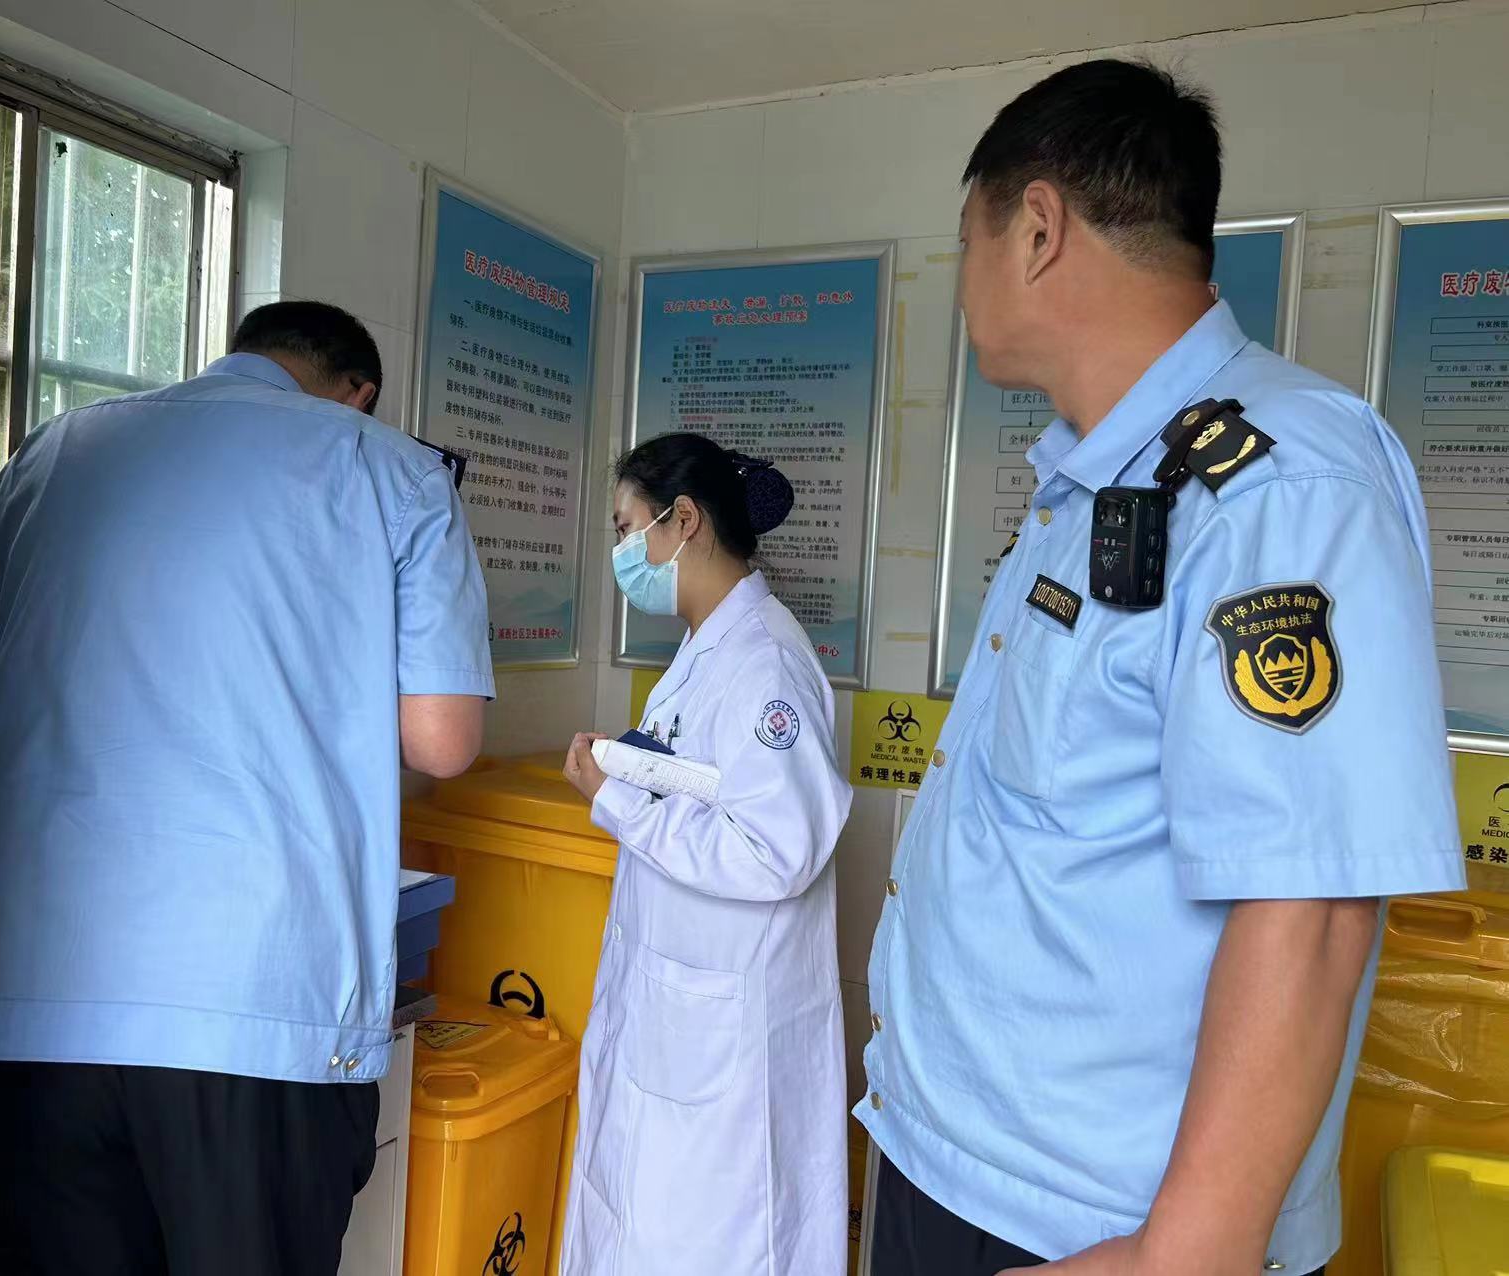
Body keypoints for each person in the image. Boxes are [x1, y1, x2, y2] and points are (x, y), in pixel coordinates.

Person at [859, 60, 1464, 1276]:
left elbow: (1310, 903)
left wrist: (1178, 1259)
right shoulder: (1098, 476)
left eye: (967, 240)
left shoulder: (1280, 486)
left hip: (1090, 1226)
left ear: (1036, 229)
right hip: (962, 1156)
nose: (962, 279)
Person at [0, 300, 495, 1276]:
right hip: (251, 999)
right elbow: (443, 740)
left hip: (18, 993)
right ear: (358, 393)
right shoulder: (392, 469)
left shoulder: (57, 449)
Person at [557, 433, 853, 1274]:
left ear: (682, 521)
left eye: (628, 529)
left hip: (722, 1056)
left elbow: (774, 850)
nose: (623, 553)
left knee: (705, 1239)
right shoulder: (708, 648)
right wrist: (632, 769)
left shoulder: (765, 665)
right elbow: (712, 790)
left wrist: (618, 801)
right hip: (675, 1027)